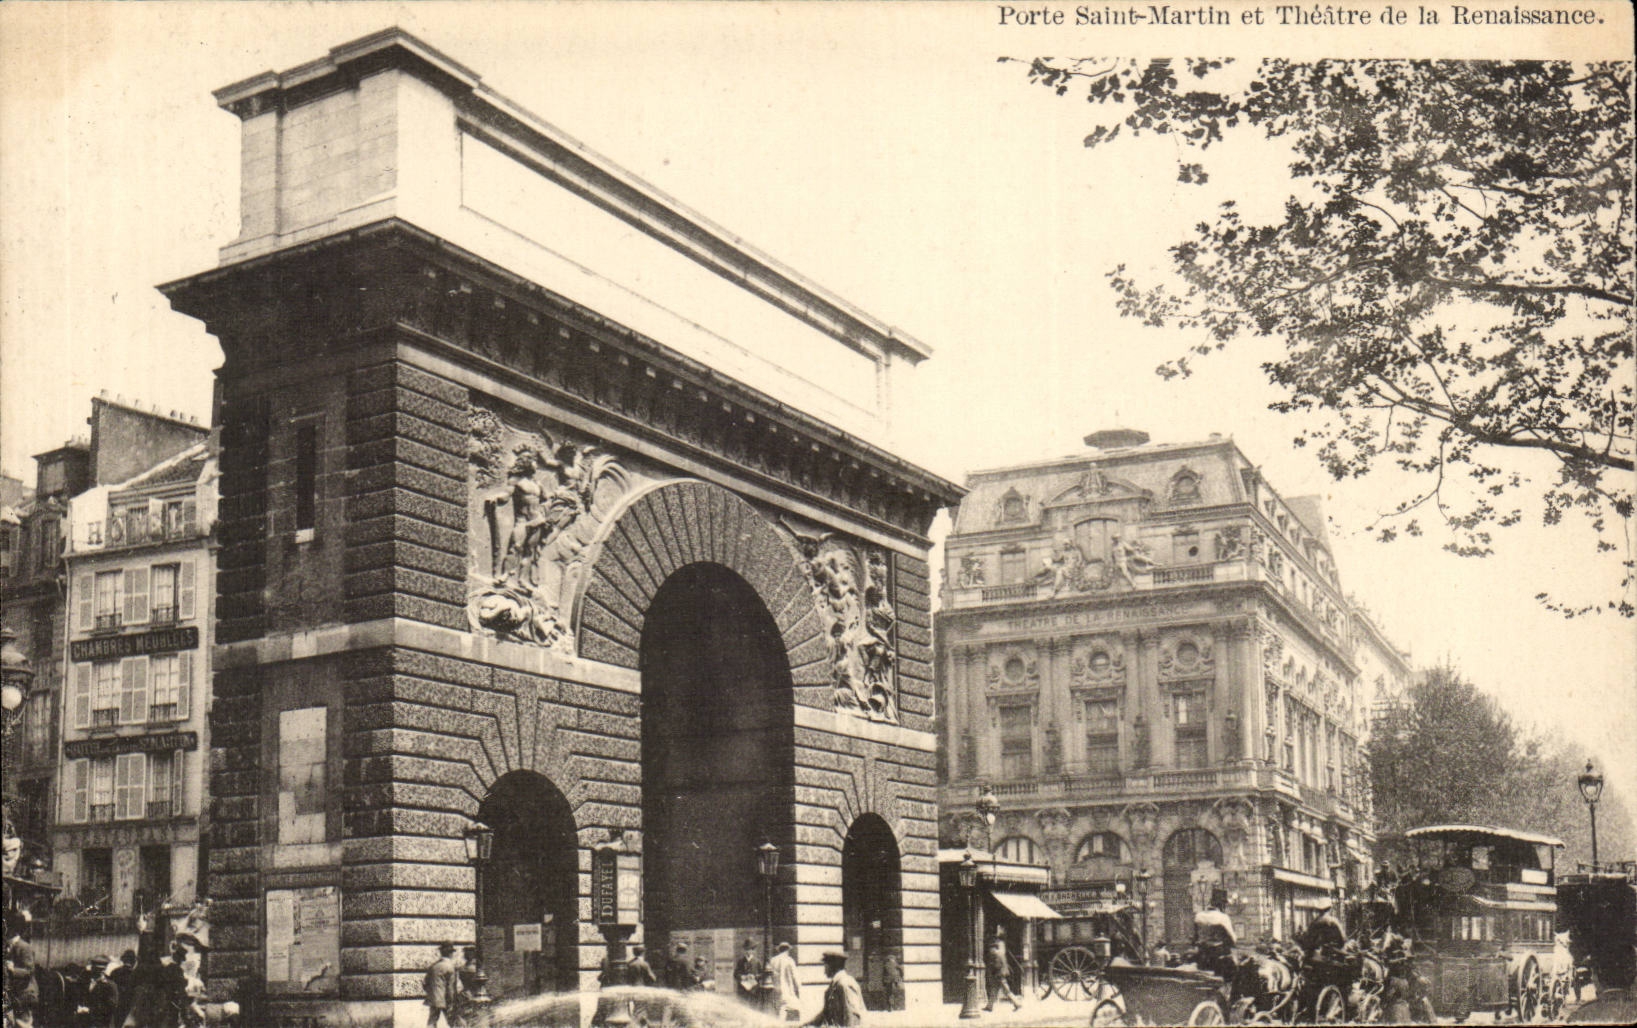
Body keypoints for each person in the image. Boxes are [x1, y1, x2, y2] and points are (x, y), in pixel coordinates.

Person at [805, 952, 863, 1028]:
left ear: (833, 966)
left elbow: (852, 1017)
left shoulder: (844, 984)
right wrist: (804, 1025)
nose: (824, 969)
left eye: (825, 965)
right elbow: (824, 1014)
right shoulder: (835, 985)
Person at [5, 913, 40, 1028]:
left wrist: (12, 970)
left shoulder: (24, 947)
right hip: (14, 993)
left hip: (25, 993)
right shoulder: (8, 947)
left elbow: (29, 971)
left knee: (22, 1023)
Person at [422, 942, 462, 1028]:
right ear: (451, 954)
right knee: (453, 1021)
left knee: (432, 1021)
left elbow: (425, 983)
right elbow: (451, 987)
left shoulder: (433, 966)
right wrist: (452, 1001)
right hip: (445, 999)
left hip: (433, 998)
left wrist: (432, 993)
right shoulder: (450, 967)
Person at [984, 927, 1022, 1012]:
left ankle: (1017, 1003)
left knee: (1005, 989)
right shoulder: (1001, 945)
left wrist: (994, 970)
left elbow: (997, 960)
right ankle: (989, 1006)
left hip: (998, 971)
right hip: (1001, 970)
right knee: (994, 988)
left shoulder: (996, 949)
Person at [767, 942, 802, 1022]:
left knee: (779, 1012)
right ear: (787, 950)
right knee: (798, 1008)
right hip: (787, 991)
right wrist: (798, 987)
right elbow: (795, 976)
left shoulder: (773, 960)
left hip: (775, 991)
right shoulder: (789, 960)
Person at [83, 956, 121, 1028]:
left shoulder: (110, 986)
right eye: (93, 969)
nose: (93, 972)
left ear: (103, 970)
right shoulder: (87, 982)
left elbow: (111, 1007)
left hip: (103, 1024)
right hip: (87, 1022)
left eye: (98, 970)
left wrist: (90, 1010)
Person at [109, 951, 138, 1028]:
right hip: (129, 1006)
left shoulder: (115, 972)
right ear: (134, 961)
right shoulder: (135, 974)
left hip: (115, 1004)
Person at [734, 938, 763, 1003]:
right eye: (746, 949)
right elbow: (735, 974)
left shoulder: (757, 961)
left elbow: (762, 974)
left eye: (750, 949)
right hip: (743, 989)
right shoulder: (741, 961)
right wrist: (742, 977)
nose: (748, 952)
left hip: (754, 989)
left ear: (753, 950)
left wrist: (754, 976)